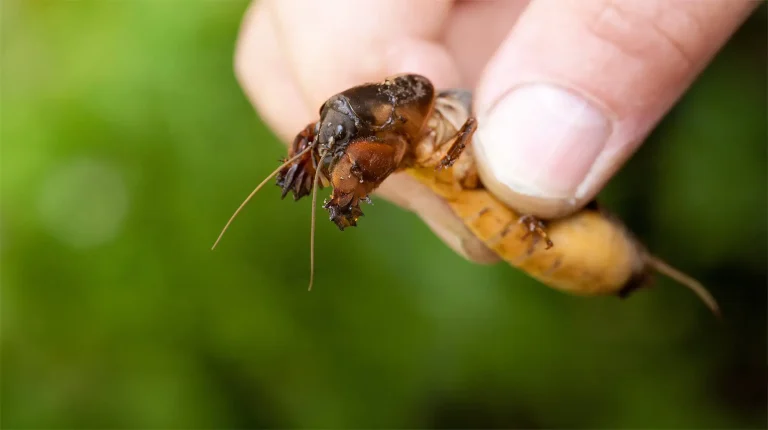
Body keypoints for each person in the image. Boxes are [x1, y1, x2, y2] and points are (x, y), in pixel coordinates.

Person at [233, 0, 759, 263]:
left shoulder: (407, 123)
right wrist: (311, 153)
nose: (334, 149)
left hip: (561, 209)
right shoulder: (369, 126)